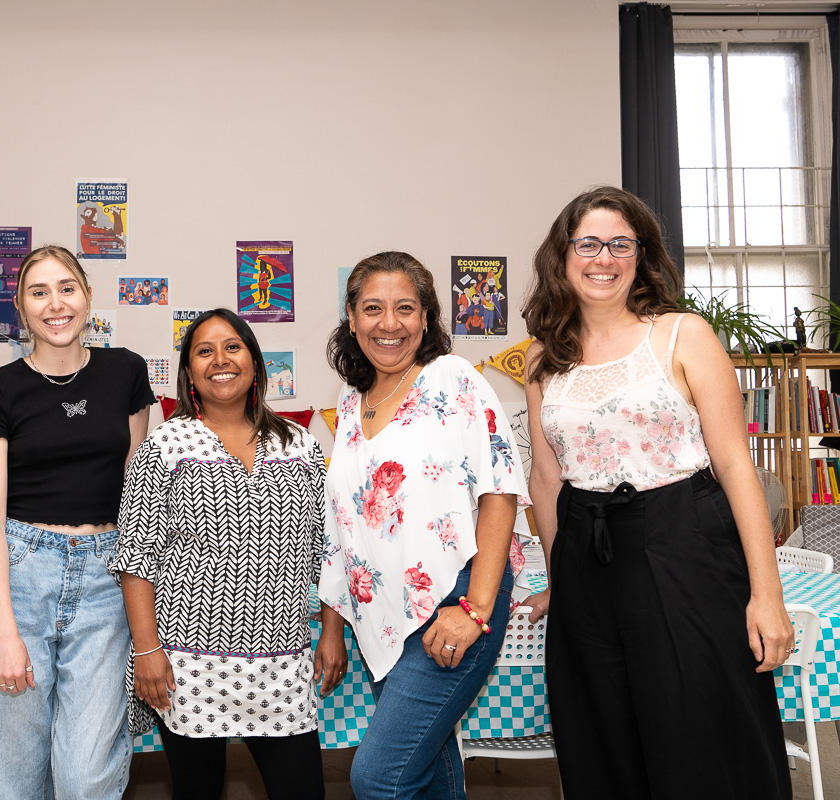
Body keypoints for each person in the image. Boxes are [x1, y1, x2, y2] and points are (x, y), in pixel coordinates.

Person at [520, 186, 793, 799]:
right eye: (588, 243)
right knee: (602, 732)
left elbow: (735, 467)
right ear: (562, 257)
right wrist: (561, 579)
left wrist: (765, 594)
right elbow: (546, 480)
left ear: (641, 256)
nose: (604, 257)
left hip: (684, 542)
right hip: (586, 558)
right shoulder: (543, 360)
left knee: (698, 726)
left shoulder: (682, 335)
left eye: (621, 243)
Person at [108, 308, 343, 800]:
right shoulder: (165, 447)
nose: (221, 360)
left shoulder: (299, 445)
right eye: (204, 351)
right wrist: (148, 652)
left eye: (233, 347)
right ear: (189, 371)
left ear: (255, 362)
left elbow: (330, 547)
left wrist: (333, 631)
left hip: (283, 667)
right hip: (189, 668)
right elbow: (136, 559)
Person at [318, 251, 527, 800]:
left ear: (428, 317)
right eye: (373, 308)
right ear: (351, 316)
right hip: (385, 616)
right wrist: (335, 626)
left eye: (405, 308)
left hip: (455, 601)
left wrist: (475, 610)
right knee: (430, 772)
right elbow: (347, 526)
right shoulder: (351, 398)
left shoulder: (451, 379)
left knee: (380, 777)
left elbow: (500, 490)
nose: (389, 324)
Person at [0, 244, 155, 800]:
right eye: (38, 292)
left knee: (87, 775)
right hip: (18, 577)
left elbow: (137, 495)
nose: (55, 304)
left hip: (105, 577)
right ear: (21, 310)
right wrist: (4, 633)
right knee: (14, 779)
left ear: (88, 297)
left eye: (66, 288)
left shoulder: (126, 372)